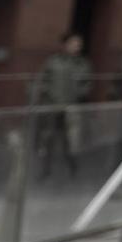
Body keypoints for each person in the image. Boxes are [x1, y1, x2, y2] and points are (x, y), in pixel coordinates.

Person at [33, 33, 90, 179]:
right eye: (73, 43)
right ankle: (45, 170)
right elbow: (43, 79)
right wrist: (47, 93)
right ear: (65, 45)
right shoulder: (53, 61)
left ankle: (74, 169)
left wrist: (78, 93)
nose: (76, 47)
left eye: (79, 44)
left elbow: (88, 84)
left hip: (71, 107)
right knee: (48, 139)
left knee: (71, 140)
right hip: (52, 107)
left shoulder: (83, 64)